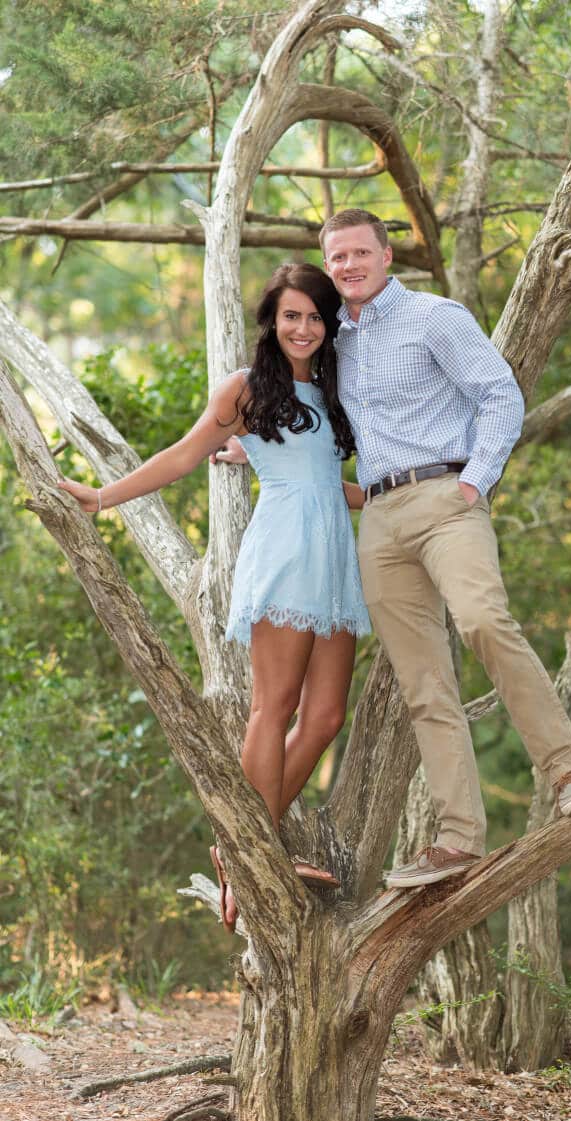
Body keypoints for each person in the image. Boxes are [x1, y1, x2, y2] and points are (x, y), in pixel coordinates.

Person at [59, 263, 370, 932]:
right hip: (285, 548)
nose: (304, 328)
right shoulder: (245, 389)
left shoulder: (335, 388)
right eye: (292, 315)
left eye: (316, 316)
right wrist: (102, 497)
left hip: (334, 554)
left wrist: (397, 489)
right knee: (273, 704)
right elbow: (181, 454)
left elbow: (326, 479)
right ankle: (256, 858)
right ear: (271, 320)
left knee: (324, 716)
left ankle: (236, 844)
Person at [320, 207, 571, 888]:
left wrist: (475, 482)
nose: (349, 266)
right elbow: (286, 396)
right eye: (337, 258)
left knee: (482, 620)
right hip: (379, 518)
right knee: (422, 684)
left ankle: (568, 771)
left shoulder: (435, 317)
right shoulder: (330, 338)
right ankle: (458, 837)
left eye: (360, 252)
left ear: (387, 256)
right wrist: (243, 442)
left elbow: (499, 394)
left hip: (448, 499)